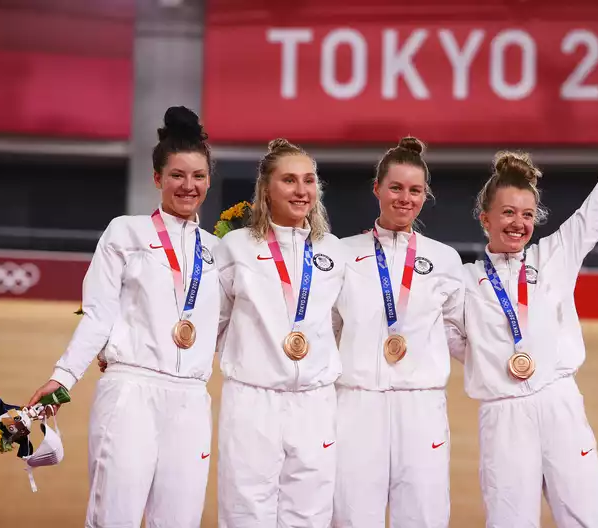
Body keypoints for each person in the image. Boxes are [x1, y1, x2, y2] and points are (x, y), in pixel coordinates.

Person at [27, 106, 221, 528]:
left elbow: (224, 328)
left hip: (191, 398)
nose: (188, 186)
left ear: (209, 180)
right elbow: (99, 315)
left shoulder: (219, 251)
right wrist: (63, 379)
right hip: (131, 389)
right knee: (114, 517)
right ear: (157, 178)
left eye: (199, 176)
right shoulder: (125, 232)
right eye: (177, 175)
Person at [456, 121, 598, 527]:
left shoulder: (553, 257)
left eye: (526, 215)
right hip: (503, 415)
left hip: (559, 403)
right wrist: (491, 362)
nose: (518, 223)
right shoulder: (464, 281)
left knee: (587, 517)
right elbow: (455, 341)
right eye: (507, 213)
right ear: (484, 218)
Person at [331, 137, 466, 528]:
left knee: (423, 516)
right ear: (377, 189)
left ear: (426, 195)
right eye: (395, 187)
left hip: (421, 406)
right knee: (353, 516)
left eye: (415, 190)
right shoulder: (342, 253)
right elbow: (326, 329)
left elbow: (458, 335)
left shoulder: (444, 259)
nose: (405, 198)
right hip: (357, 404)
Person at [214, 139, 347, 527]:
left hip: (315, 403)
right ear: (266, 189)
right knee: (245, 511)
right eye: (289, 180)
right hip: (252, 400)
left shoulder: (333, 251)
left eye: (309, 180)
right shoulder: (236, 247)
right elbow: (216, 322)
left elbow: (337, 324)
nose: (301, 190)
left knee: (310, 515)